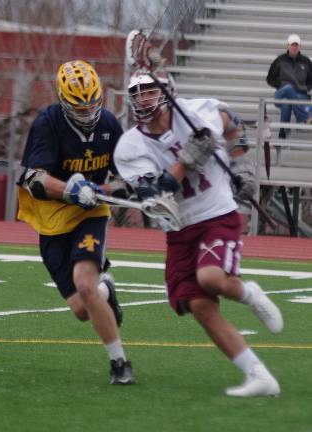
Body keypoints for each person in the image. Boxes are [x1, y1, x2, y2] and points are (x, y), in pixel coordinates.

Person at [114, 68, 283, 397]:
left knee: (210, 278)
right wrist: (186, 160)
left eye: (149, 91)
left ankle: (250, 295)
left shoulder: (195, 113)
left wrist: (241, 166)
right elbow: (154, 193)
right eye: (137, 94)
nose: (142, 99)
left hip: (217, 212)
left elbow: (232, 123)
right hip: (179, 228)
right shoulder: (130, 146)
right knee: (199, 305)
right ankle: (258, 374)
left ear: (167, 92)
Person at [17, 59, 134, 385]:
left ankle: (120, 364)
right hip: (52, 220)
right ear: (63, 100)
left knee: (83, 283)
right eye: (78, 106)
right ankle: (104, 289)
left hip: (89, 215)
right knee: (82, 309)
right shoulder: (48, 123)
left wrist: (102, 190)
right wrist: (70, 189)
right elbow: (33, 178)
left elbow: (126, 180)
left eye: (92, 103)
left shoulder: (109, 124)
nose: (87, 112)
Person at [266, 34, 312, 138]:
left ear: (300, 46)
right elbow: (270, 78)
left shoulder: (306, 61)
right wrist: (280, 85)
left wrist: (306, 88)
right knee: (288, 88)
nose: (294, 47)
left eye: (296, 45)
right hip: (282, 93)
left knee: (286, 104)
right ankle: (304, 117)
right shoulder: (280, 60)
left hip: (300, 94)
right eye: (292, 45)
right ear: (287, 46)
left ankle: (282, 136)